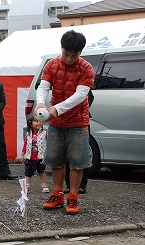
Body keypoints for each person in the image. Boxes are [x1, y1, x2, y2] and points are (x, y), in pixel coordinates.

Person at [34, 30, 95, 215]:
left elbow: (80, 95)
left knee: (77, 162)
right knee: (56, 160)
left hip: (78, 122)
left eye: (73, 55)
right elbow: (43, 86)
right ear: (61, 49)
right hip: (56, 123)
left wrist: (56, 109)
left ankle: (73, 197)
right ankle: (58, 194)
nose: (69, 59)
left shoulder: (86, 68)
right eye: (65, 54)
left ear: (80, 52)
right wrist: (41, 104)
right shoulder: (52, 64)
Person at [64, 89, 94, 194]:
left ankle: (82, 185)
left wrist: (77, 106)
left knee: (81, 154)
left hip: (81, 120)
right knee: (67, 155)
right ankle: (68, 184)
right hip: (64, 119)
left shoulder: (83, 79)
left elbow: (90, 96)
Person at [21, 114, 49, 193]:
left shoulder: (45, 133)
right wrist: (23, 154)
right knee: (28, 173)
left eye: (40, 121)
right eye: (36, 121)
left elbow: (49, 143)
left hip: (40, 157)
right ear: (30, 123)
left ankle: (44, 186)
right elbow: (25, 145)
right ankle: (27, 186)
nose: (39, 123)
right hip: (30, 157)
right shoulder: (28, 135)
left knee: (41, 171)